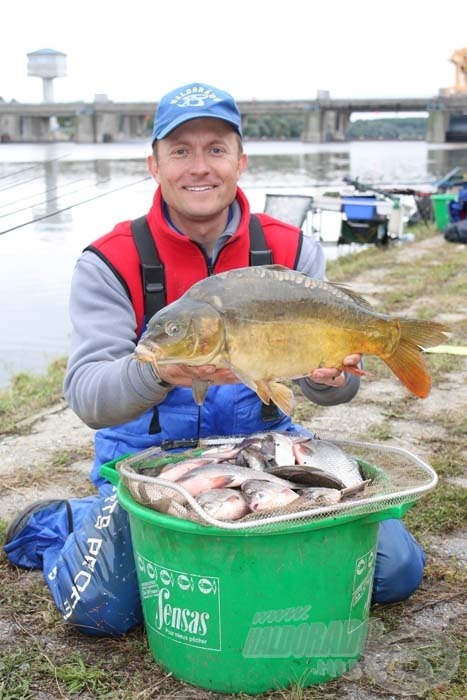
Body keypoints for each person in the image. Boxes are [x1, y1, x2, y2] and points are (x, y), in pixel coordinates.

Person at [3, 82, 426, 636]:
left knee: (395, 572)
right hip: (152, 458)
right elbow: (86, 395)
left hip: (266, 449)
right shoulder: (110, 260)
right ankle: (68, 520)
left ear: (240, 161)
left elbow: (334, 384)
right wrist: (153, 371)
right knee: (102, 610)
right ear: (153, 164)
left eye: (216, 149)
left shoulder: (292, 250)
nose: (198, 167)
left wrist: (329, 379)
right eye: (180, 151)